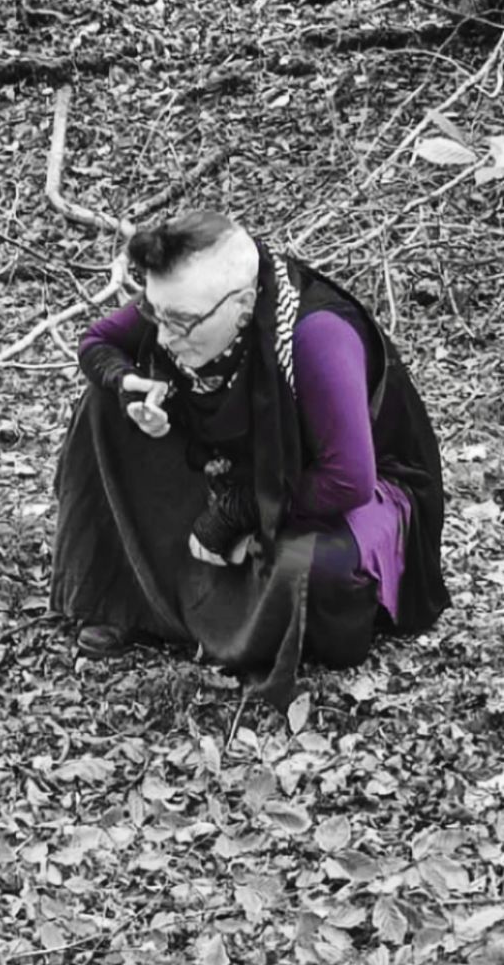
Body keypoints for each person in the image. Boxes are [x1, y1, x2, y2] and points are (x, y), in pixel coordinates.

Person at [50, 211, 450, 706]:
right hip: (245, 462)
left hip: (347, 490)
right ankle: (128, 602)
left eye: (181, 323)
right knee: (103, 406)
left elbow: (349, 480)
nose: (165, 337)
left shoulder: (315, 337)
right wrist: (131, 384)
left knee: (310, 568)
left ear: (242, 308)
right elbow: (99, 342)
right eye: (156, 315)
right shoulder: (180, 304)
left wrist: (239, 511)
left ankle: (237, 615)